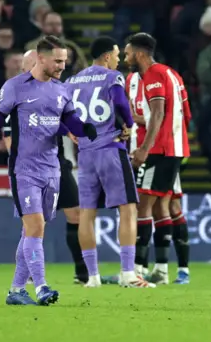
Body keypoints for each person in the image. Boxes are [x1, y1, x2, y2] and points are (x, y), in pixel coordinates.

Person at [0, 35, 98, 306]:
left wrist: (83, 128)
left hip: (53, 169)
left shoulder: (61, 90)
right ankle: (41, 287)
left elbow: (70, 121)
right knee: (35, 226)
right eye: (58, 60)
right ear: (41, 58)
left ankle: (16, 290)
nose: (63, 65)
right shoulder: (15, 87)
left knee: (30, 232)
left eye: (64, 60)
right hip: (24, 170)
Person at [66, 36, 153, 289]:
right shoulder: (112, 77)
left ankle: (92, 277)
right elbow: (120, 102)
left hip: (85, 156)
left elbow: (60, 110)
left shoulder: (73, 81)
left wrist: (70, 131)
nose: (118, 59)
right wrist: (127, 125)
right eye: (116, 55)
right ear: (106, 56)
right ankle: (128, 274)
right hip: (110, 150)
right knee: (127, 209)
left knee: (86, 215)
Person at [2, 50, 89, 285]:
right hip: (29, 168)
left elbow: (67, 123)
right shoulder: (15, 95)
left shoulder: (55, 93)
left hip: (58, 164)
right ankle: (28, 274)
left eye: (27, 64)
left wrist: (73, 130)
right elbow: (9, 138)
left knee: (76, 214)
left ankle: (82, 272)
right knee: (34, 223)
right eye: (24, 66)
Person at [124, 33, 191, 285]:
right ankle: (163, 270)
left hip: (158, 149)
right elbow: (183, 113)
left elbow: (159, 113)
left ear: (139, 54)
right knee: (161, 205)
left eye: (128, 53)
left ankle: (140, 269)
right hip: (174, 146)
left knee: (146, 205)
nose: (126, 57)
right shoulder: (172, 75)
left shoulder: (152, 75)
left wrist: (144, 148)